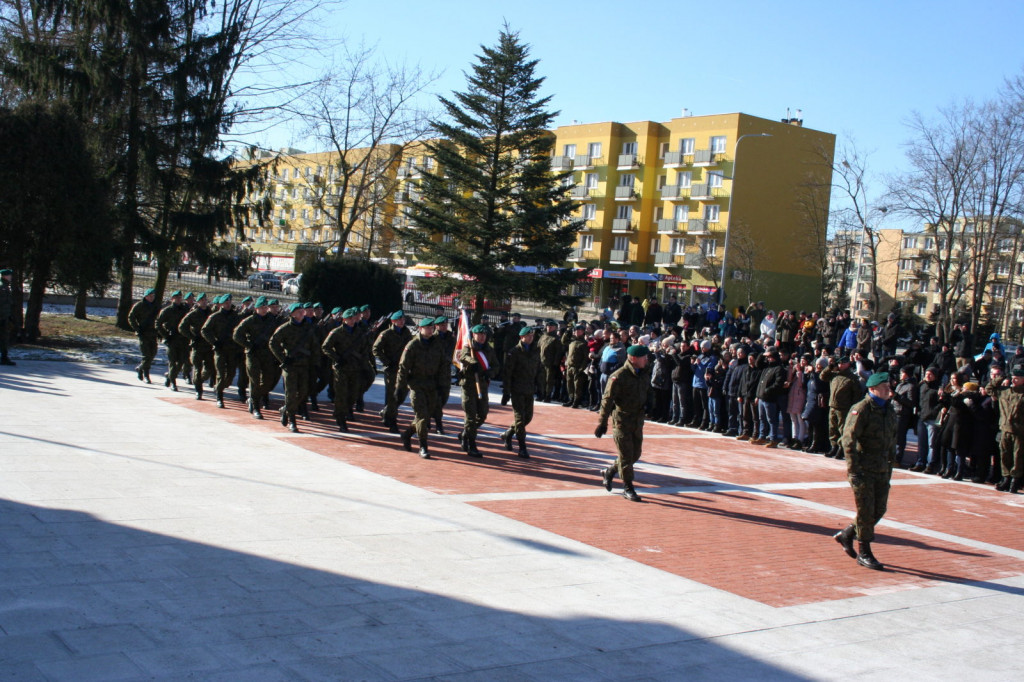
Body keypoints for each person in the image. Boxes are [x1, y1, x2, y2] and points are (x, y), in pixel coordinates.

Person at [834, 372, 899, 571]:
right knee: (865, 510)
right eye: (884, 387)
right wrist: (853, 470)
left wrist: (890, 464)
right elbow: (848, 440)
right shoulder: (861, 409)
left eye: (888, 386)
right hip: (863, 469)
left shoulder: (889, 410)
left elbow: (892, 439)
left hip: (881, 468)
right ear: (872, 389)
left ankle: (847, 534)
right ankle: (864, 552)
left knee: (879, 509)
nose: (888, 390)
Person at [595, 344, 651, 502]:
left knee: (635, 454)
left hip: (637, 421)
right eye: (643, 357)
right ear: (633, 359)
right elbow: (607, 400)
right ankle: (628, 487)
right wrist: (602, 423)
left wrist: (651, 403)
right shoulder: (619, 376)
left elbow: (649, 390)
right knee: (626, 457)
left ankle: (609, 471)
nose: (646, 359)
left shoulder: (644, 373)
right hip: (622, 421)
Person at [396, 318, 449, 458]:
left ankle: (407, 434)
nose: (430, 330)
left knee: (425, 416)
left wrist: (443, 385)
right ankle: (423, 447)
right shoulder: (413, 345)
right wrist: (399, 387)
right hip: (416, 385)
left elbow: (443, 365)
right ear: (420, 329)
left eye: (432, 328)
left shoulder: (437, 344)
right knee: (422, 417)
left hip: (432, 385)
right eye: (427, 328)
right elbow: (403, 367)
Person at [269, 303, 318, 433]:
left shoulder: (309, 328)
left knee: (302, 393)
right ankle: (292, 420)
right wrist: (283, 358)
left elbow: (315, 346)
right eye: (299, 311)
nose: (302, 313)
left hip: (304, 365)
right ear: (292, 314)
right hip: (290, 366)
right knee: (290, 394)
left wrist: (315, 362)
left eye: (303, 311)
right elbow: (273, 342)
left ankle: (286, 409)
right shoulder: (285, 328)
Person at [232, 296, 279, 420]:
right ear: (256, 308)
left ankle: (253, 398)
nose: (264, 309)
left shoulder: (272, 320)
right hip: (253, 354)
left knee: (268, 380)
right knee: (255, 380)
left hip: (267, 354)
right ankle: (256, 407)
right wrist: (248, 345)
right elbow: (236, 335)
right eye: (262, 307)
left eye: (265, 307)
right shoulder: (249, 320)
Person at [320, 308, 366, 433]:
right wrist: (337, 358)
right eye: (349, 319)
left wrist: (362, 361)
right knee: (341, 395)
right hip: (341, 368)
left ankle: (341, 412)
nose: (352, 321)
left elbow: (365, 348)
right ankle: (341, 420)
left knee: (353, 395)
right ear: (344, 319)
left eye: (353, 318)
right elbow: (325, 347)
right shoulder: (336, 332)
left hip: (355, 368)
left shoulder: (359, 333)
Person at [458, 324, 499, 457]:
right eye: (479, 334)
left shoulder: (489, 349)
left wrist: (490, 373)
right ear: (474, 335)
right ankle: (472, 445)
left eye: (484, 335)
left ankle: (466, 434)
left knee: (482, 415)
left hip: (482, 385)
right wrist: (472, 362)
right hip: (469, 386)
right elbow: (463, 357)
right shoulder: (469, 347)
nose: (482, 337)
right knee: (470, 417)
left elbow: (496, 365)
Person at [501, 326, 542, 458]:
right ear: (521, 337)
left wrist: (540, 386)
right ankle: (522, 447)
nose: (531, 338)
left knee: (527, 418)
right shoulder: (514, 352)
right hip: (517, 389)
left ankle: (508, 433)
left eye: (532, 336)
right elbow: (507, 374)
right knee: (519, 419)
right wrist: (506, 392)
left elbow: (538, 370)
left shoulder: (536, 350)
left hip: (529, 389)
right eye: (528, 336)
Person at [201, 294, 242, 409]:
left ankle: (219, 387)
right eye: (226, 303)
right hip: (220, 349)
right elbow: (205, 330)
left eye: (229, 302)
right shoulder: (215, 317)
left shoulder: (236, 316)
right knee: (220, 374)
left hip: (232, 349)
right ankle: (219, 397)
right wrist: (214, 342)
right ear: (222, 305)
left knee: (230, 374)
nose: (228, 305)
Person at [373, 311, 412, 433]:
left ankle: (386, 412)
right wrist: (386, 361)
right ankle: (392, 421)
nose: (402, 321)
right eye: (399, 320)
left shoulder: (407, 333)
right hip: (391, 369)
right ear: (393, 321)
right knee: (392, 395)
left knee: (402, 393)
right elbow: (376, 349)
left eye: (403, 319)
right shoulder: (386, 334)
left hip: (403, 369)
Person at [988, 366, 1024, 493]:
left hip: (1019, 431)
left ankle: (1015, 481)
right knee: (1004, 455)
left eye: (1017, 378)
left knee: (1018, 457)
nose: (1014, 380)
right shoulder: (1005, 392)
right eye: (1013, 378)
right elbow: (989, 389)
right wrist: (1001, 377)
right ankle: (1006, 479)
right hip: (1004, 428)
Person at [821, 355, 863, 459]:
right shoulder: (834, 375)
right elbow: (822, 376)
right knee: (832, 428)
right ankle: (834, 446)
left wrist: (853, 409)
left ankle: (841, 449)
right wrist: (830, 366)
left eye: (843, 363)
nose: (841, 365)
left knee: (842, 429)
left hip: (844, 408)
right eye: (839, 363)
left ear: (848, 364)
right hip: (832, 406)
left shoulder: (852, 378)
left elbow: (856, 395)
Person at [179, 293, 215, 400]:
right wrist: (192, 337)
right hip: (197, 345)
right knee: (197, 369)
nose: (204, 302)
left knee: (209, 369)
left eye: (205, 300)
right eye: (201, 300)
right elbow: (182, 327)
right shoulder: (193, 314)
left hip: (208, 345)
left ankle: (198, 380)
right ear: (198, 302)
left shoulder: (211, 313)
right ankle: (198, 390)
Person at [156, 290, 189, 390]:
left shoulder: (185, 309)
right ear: (172, 299)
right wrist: (165, 335)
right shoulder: (167, 311)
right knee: (173, 362)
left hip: (183, 339)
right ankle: (173, 382)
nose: (178, 299)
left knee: (181, 362)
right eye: (176, 297)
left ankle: (170, 376)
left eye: (180, 297)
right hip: (172, 339)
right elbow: (158, 324)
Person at [128, 287, 160, 383]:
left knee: (153, 353)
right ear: (145, 296)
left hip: (153, 333)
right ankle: (146, 375)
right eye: (150, 296)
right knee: (146, 355)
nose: (152, 298)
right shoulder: (139, 305)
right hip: (143, 333)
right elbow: (131, 317)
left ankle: (140, 368)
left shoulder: (156, 306)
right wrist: (137, 328)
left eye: (153, 296)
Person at [432, 316, 457, 434]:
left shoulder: (451, 338)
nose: (444, 327)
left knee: (444, 398)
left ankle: (434, 417)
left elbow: (455, 352)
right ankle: (438, 423)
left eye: (445, 324)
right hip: (433, 373)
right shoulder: (432, 338)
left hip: (445, 374)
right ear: (436, 326)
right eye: (441, 325)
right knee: (435, 400)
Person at [1, 268, 16, 366]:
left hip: (4, 316)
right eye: (9, 275)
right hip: (1, 317)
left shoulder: (5, 286)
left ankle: (4, 357)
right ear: (4, 276)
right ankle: (4, 358)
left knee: (4, 338)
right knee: (3, 338)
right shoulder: (2, 287)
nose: (11, 277)